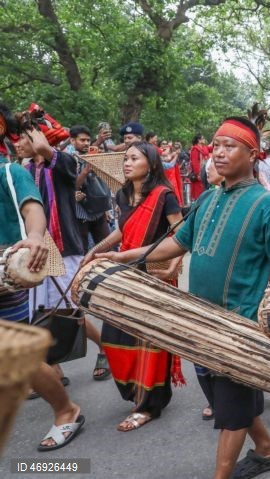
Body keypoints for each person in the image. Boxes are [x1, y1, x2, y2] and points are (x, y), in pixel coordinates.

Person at [97, 116, 270, 479]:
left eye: (229, 146)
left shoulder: (267, 205)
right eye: (216, 145)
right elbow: (178, 241)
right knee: (225, 398)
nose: (218, 153)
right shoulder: (207, 198)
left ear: (252, 155)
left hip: (239, 326)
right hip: (199, 320)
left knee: (233, 408)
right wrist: (126, 255)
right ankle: (267, 450)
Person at [82, 142, 184, 432]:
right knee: (115, 337)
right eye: (125, 158)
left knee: (148, 340)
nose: (127, 163)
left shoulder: (165, 196)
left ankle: (148, 405)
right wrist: (96, 250)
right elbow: (122, 230)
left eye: (133, 158)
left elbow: (180, 234)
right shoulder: (123, 194)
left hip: (153, 275)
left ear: (150, 164)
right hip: (124, 273)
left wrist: (176, 265)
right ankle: (137, 392)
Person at [0, 105, 85, 451]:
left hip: (6, 274)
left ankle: (67, 410)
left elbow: (33, 209)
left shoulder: (10, 172)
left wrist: (36, 236)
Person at [67, 125, 113, 381]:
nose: (85, 143)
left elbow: (102, 180)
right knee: (86, 255)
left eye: (87, 139)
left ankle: (108, 283)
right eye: (82, 140)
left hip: (95, 211)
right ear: (72, 140)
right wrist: (84, 171)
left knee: (106, 249)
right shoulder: (65, 157)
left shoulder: (89, 152)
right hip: (80, 217)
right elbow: (70, 187)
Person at [189, 133, 208, 201]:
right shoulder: (195, 149)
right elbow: (195, 163)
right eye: (203, 138)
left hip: (205, 172)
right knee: (199, 194)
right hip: (199, 175)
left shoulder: (204, 147)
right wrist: (198, 174)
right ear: (199, 140)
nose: (204, 140)